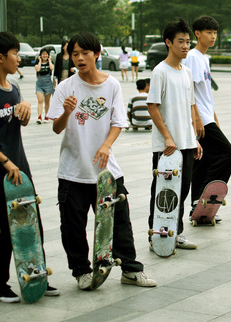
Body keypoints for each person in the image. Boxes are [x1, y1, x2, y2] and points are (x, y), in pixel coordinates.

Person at [46, 32, 156, 290]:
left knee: (119, 222)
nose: (79, 58)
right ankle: (81, 271)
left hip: (107, 172)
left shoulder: (112, 85)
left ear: (96, 54)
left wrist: (106, 145)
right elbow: (57, 128)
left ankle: (130, 269)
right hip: (73, 171)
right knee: (73, 226)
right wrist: (67, 112)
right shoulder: (65, 87)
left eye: (85, 53)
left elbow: (118, 122)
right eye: (75, 54)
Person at [0, 31, 59, 303]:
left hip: (20, 174)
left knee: (30, 228)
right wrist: (5, 161)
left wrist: (26, 107)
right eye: (15, 54)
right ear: (0, 57)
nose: (19, 58)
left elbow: (21, 122)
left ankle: (37, 276)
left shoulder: (14, 87)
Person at [147, 18, 203, 251]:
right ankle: (155, 236)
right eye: (180, 41)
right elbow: (152, 106)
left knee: (182, 190)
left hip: (186, 143)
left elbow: (190, 106)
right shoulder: (160, 72)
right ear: (168, 42)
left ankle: (175, 233)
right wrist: (167, 137)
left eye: (188, 42)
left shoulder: (186, 72)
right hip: (167, 146)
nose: (185, 46)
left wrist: (194, 139)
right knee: (162, 191)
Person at [183, 16, 231, 219]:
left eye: (215, 33)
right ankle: (207, 195)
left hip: (207, 117)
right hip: (200, 119)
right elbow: (189, 91)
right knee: (227, 153)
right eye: (209, 32)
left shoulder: (204, 59)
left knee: (203, 160)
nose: (213, 36)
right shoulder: (193, 57)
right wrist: (196, 118)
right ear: (197, 34)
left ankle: (197, 203)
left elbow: (205, 95)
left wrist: (215, 118)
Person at [34, 48, 54, 123]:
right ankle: (39, 117)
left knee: (47, 101)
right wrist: (40, 61)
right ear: (40, 55)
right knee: (40, 100)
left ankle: (47, 116)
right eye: (43, 54)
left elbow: (52, 68)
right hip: (40, 84)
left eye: (46, 54)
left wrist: (49, 60)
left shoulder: (50, 62)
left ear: (48, 55)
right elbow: (37, 69)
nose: (44, 55)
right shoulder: (37, 62)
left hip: (48, 84)